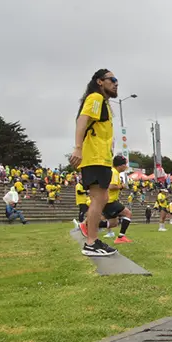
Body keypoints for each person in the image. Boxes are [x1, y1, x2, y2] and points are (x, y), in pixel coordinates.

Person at [69, 69, 120, 256]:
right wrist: (77, 147)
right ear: (100, 81)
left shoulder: (102, 102)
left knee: (103, 198)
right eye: (112, 79)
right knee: (99, 199)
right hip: (95, 157)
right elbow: (82, 121)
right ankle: (91, 243)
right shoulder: (96, 98)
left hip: (102, 158)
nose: (116, 83)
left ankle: (87, 230)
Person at [91, 155, 133, 244]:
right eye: (125, 164)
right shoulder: (114, 172)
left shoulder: (114, 172)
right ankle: (121, 237)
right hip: (110, 201)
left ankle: (89, 226)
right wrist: (122, 186)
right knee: (128, 213)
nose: (126, 166)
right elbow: (111, 186)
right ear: (120, 165)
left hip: (109, 201)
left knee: (113, 223)